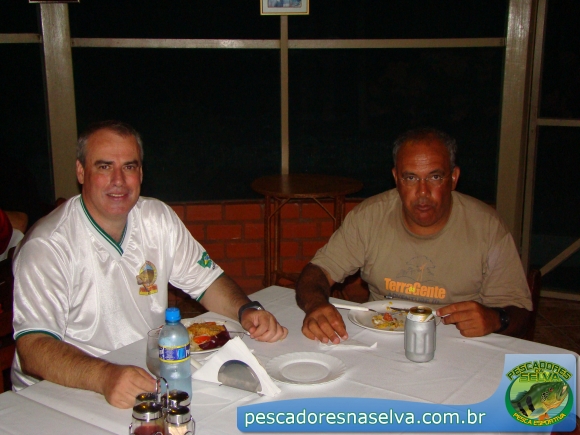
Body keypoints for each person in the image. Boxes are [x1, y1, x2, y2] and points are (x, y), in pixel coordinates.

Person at [11, 120, 288, 408]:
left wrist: (246, 310)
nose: (119, 180)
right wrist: (104, 376)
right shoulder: (48, 245)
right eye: (104, 167)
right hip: (57, 392)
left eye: (129, 167)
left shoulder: (157, 218)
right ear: (81, 172)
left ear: (141, 173)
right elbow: (33, 348)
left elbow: (207, 282)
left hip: (142, 372)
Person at [296, 127, 532, 344]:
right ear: (396, 179)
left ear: (453, 178)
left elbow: (521, 314)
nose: (422, 192)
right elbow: (317, 272)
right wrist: (316, 305)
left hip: (460, 343)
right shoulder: (369, 217)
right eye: (410, 178)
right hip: (380, 339)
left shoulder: (487, 227)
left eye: (435, 177)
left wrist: (496, 319)